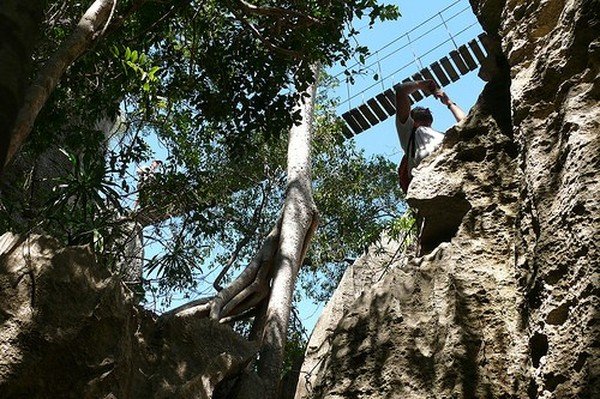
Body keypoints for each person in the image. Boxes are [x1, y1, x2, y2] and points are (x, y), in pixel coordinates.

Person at [394, 79, 466, 192]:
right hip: (428, 183)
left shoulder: (443, 136)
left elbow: (467, 124)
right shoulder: (409, 133)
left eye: (427, 109)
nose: (426, 109)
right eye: (420, 109)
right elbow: (401, 91)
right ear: (411, 118)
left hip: (454, 176)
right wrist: (420, 85)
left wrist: (449, 103)